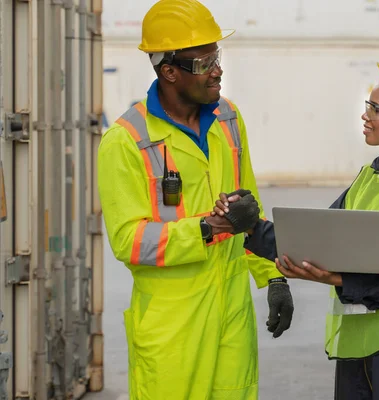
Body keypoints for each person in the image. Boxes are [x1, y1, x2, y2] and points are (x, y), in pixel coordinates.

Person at [214, 56, 379, 399]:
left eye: (376, 108)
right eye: (368, 105)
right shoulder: (369, 177)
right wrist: (250, 227)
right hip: (359, 334)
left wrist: (337, 279)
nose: (366, 115)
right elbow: (319, 241)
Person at [97, 1, 294, 399]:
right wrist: (207, 228)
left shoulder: (229, 120)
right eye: (204, 63)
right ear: (169, 71)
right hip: (173, 329)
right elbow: (128, 240)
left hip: (231, 318)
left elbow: (247, 211)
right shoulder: (126, 141)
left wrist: (273, 276)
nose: (217, 70)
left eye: (216, 57)